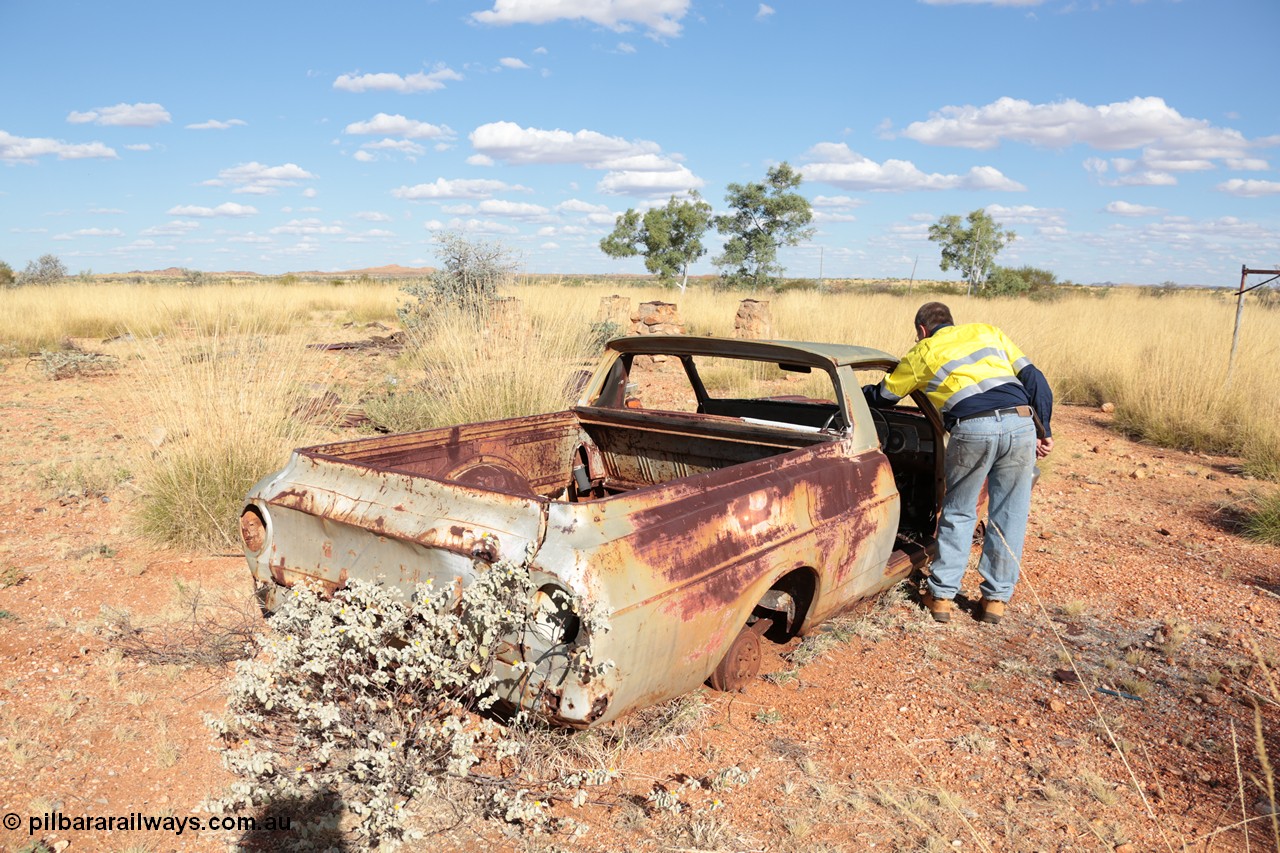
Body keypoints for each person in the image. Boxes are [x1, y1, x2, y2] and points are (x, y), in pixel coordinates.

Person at [864, 302, 1053, 625]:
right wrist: (1043, 430)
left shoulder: (923, 351)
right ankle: (995, 600)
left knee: (959, 512)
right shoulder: (987, 332)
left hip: (972, 427)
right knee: (1009, 513)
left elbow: (884, 397)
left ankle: (941, 596)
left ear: (922, 331)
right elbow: (1035, 379)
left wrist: (859, 393)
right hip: (1021, 423)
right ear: (952, 322)